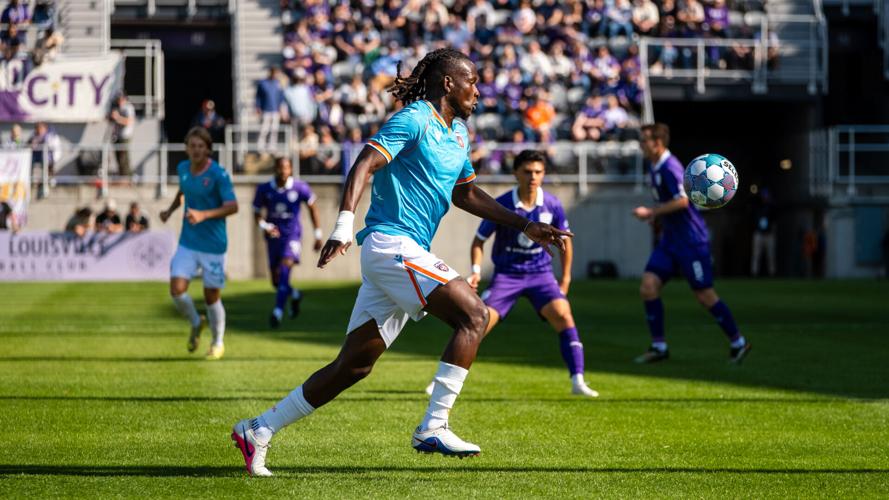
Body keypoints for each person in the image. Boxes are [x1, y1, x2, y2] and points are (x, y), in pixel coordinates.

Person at [231, 48, 571, 476]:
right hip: (391, 245)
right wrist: (342, 225)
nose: (479, 92)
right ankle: (434, 425)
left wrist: (524, 224)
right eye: (472, 82)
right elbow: (364, 163)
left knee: (353, 365)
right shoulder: (412, 119)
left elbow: (465, 193)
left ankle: (257, 429)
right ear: (449, 83)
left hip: (407, 253)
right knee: (475, 315)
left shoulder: (459, 133)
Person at [424, 150, 599, 398]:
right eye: (527, 172)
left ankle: (578, 380)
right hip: (507, 276)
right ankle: (440, 380)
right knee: (477, 322)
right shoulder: (503, 205)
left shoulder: (552, 204)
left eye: (538, 172)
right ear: (516, 173)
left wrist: (566, 278)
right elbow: (479, 241)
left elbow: (566, 242)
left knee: (563, 314)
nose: (533, 177)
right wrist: (475, 271)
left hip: (541, 276)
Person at [632, 123, 750, 364]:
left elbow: (683, 201)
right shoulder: (653, 166)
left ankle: (738, 342)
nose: (641, 144)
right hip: (670, 240)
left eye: (644, 140)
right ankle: (659, 347)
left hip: (691, 241)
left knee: (705, 295)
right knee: (648, 286)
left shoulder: (671, 167)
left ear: (658, 143)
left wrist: (652, 212)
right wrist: (659, 220)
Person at [159, 127, 238, 360]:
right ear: (186, 148)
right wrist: (170, 210)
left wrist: (203, 215)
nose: (196, 150)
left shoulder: (219, 175)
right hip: (188, 242)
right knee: (176, 290)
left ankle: (217, 343)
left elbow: (233, 206)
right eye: (192, 146)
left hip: (214, 245)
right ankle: (196, 322)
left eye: (200, 146)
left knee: (211, 296)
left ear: (208, 149)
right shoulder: (183, 169)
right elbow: (182, 192)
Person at [252, 156, 323, 328]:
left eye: (286, 168)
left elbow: (313, 207)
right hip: (273, 237)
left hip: (292, 236)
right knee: (277, 282)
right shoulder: (264, 188)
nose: (283, 171)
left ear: (290, 169)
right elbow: (256, 212)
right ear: (275, 169)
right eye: (280, 167)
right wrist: (264, 226)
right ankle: (295, 294)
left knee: (285, 268)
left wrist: (318, 234)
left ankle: (277, 312)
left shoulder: (300, 187)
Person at [256, 67, 285, 153]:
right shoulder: (263, 83)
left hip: (275, 110)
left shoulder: (278, 83)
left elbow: (281, 97)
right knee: (264, 129)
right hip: (266, 109)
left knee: (274, 129)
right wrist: (258, 107)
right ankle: (260, 145)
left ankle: (272, 146)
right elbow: (258, 96)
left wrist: (281, 108)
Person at [750, 187, 776, 277]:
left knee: (770, 255)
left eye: (766, 196)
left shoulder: (771, 207)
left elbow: (774, 219)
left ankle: (771, 273)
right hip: (759, 233)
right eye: (764, 196)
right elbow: (753, 217)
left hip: (769, 234)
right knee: (756, 254)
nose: (765, 198)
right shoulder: (757, 206)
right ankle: (754, 272)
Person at [109, 93, 135, 178]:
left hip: (125, 136)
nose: (119, 101)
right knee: (118, 157)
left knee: (123, 158)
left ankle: (127, 177)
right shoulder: (117, 107)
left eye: (121, 99)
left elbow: (129, 121)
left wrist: (118, 118)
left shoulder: (128, 108)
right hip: (117, 136)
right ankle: (121, 177)